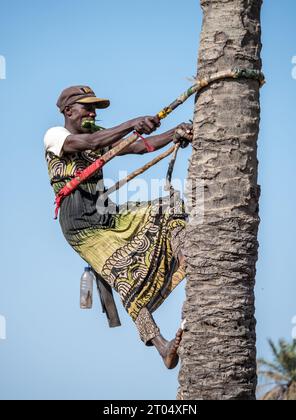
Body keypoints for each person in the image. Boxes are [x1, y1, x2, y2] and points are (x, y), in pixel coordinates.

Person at [44, 85, 193, 369]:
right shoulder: (55, 135)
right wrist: (131, 123)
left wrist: (174, 133)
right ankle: (163, 347)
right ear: (68, 111)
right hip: (81, 226)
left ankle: (186, 254)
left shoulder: (97, 134)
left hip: (106, 212)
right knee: (124, 275)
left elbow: (139, 147)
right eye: (87, 108)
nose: (91, 113)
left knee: (167, 206)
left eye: (94, 109)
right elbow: (87, 144)